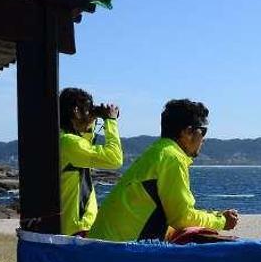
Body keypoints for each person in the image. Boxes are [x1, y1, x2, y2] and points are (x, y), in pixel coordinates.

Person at [90, 99, 238, 242]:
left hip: (102, 245)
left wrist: (215, 216)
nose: (204, 139)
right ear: (187, 132)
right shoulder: (172, 158)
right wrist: (221, 221)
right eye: (203, 132)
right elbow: (181, 218)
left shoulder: (157, 151)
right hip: (119, 252)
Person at [58, 87, 123, 236]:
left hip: (74, 226)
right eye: (88, 109)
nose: (92, 114)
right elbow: (114, 159)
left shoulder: (64, 139)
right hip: (77, 227)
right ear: (76, 111)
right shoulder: (69, 142)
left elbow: (84, 145)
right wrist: (111, 122)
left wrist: (89, 122)